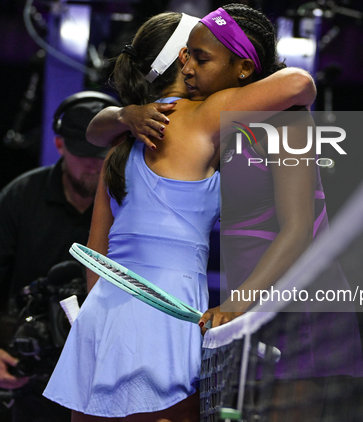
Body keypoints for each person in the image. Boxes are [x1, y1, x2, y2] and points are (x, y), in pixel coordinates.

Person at [43, 8, 316, 422]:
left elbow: (96, 257)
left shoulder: (119, 140)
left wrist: (123, 113)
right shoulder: (206, 114)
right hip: (166, 315)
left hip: (101, 317)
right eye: (193, 54)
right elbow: (299, 83)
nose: (194, 64)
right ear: (181, 61)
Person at [0, 91, 120, 422]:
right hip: (35, 372)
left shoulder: (131, 202)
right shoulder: (22, 195)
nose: (94, 163)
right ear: (59, 145)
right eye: (83, 152)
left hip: (108, 367)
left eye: (102, 152)